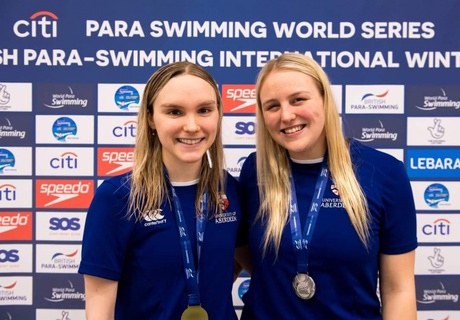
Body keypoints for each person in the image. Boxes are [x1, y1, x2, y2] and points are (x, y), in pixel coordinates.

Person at [234, 53, 417, 319]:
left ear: (324, 99)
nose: (286, 115)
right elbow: (254, 262)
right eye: (272, 106)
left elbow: (398, 290)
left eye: (298, 100)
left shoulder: (384, 173)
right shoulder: (255, 171)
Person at [79, 61, 242, 320]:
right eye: (175, 112)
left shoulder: (228, 189)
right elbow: (99, 305)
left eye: (204, 110)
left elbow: (237, 262)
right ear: (151, 118)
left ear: (218, 115)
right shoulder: (118, 197)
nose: (191, 125)